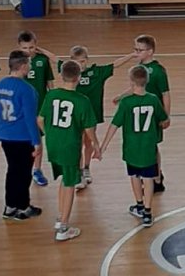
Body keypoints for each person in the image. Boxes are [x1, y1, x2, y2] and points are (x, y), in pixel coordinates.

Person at [99, 64, 169, 227]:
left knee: (135, 176)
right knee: (148, 179)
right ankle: (148, 212)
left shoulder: (126, 103)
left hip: (131, 149)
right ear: (147, 81)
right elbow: (164, 119)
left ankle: (139, 205)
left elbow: (114, 125)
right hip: (148, 148)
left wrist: (103, 146)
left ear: (131, 82)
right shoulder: (153, 99)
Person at [62, 43, 137, 190]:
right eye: (77, 61)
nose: (80, 64)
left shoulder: (97, 72)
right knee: (77, 143)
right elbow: (54, 59)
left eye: (83, 61)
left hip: (92, 115)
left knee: (88, 142)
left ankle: (86, 168)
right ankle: (79, 172)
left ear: (87, 60)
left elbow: (115, 64)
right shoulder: (71, 73)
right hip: (75, 115)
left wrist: (131, 55)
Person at [40, 59, 98, 243]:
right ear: (79, 77)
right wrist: (96, 145)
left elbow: (40, 120)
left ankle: (60, 217)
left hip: (53, 144)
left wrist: (50, 134)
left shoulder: (51, 95)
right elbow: (89, 129)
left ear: (61, 75)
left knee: (64, 180)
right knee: (70, 183)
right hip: (70, 147)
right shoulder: (82, 100)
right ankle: (64, 227)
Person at [0, 51, 43, 221]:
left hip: (6, 136)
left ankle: (10, 206)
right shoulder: (27, 89)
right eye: (29, 63)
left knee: (13, 171)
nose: (30, 66)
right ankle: (22, 207)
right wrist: (37, 141)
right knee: (23, 173)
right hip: (22, 137)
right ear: (23, 66)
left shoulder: (0, 85)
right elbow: (30, 118)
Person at [17, 29, 55, 189]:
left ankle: (37, 170)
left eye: (31, 47)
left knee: (38, 140)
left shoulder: (42, 61)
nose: (28, 51)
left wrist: (52, 102)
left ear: (36, 46)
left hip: (40, 108)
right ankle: (23, 168)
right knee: (23, 141)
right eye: (25, 48)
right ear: (19, 47)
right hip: (22, 109)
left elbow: (50, 83)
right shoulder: (17, 62)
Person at [134, 34, 170, 193]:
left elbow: (166, 94)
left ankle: (156, 177)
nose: (136, 53)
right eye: (135, 49)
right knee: (142, 145)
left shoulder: (158, 71)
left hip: (153, 115)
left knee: (152, 146)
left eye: (140, 50)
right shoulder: (139, 68)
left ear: (150, 51)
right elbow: (136, 86)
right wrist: (122, 96)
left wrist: (166, 115)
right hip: (140, 113)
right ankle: (149, 175)